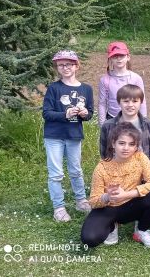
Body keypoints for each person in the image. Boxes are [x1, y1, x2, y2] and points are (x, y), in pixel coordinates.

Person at [81, 122, 150, 247]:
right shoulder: (102, 167)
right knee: (90, 239)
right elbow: (93, 201)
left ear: (136, 146)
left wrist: (126, 195)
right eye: (122, 143)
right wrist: (107, 197)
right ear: (113, 144)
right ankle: (111, 226)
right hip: (108, 208)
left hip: (131, 205)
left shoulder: (140, 158)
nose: (126, 148)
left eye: (131, 144)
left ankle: (142, 229)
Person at [43, 50, 93, 222]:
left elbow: (90, 113)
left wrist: (85, 113)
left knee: (76, 171)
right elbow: (47, 113)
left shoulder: (86, 89)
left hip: (74, 135)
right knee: (55, 173)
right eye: (61, 65)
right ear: (57, 67)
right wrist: (65, 114)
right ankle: (59, 207)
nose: (65, 67)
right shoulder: (54, 88)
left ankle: (81, 201)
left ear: (76, 66)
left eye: (69, 64)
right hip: (54, 136)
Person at [99, 84, 150, 164]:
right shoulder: (108, 126)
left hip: (142, 171)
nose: (130, 105)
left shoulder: (149, 125)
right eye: (126, 101)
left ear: (141, 102)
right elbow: (104, 153)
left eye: (135, 101)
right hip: (116, 171)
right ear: (119, 102)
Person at [98, 41, 146, 125]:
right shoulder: (105, 80)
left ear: (128, 57)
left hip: (133, 119)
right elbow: (102, 103)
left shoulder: (136, 78)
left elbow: (142, 101)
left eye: (122, 56)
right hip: (112, 119)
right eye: (115, 56)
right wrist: (102, 124)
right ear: (110, 59)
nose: (119, 59)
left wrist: (143, 121)